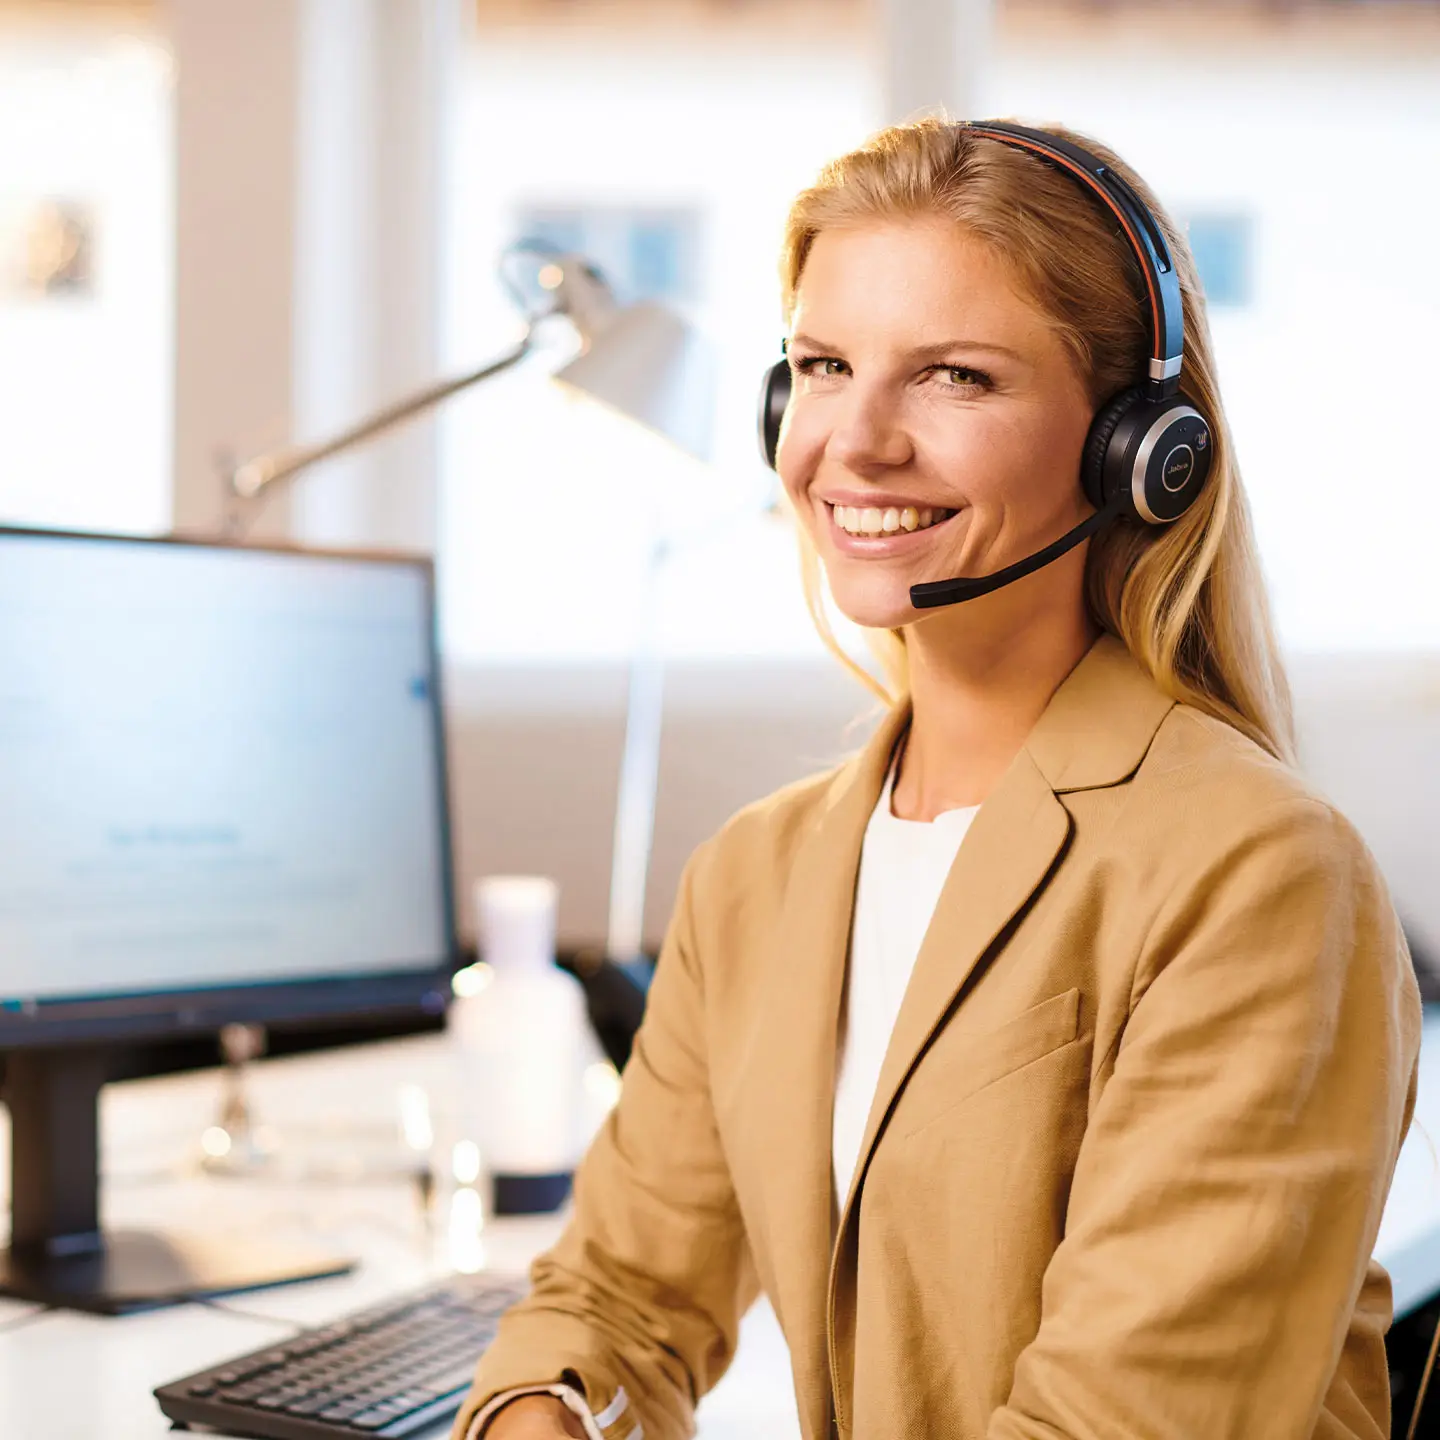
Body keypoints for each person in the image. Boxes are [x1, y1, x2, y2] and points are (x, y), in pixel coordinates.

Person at [456, 118, 1422, 1440]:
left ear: (1136, 445)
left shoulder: (1254, 875)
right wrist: (542, 1415)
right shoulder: (759, 874)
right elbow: (614, 1298)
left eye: (955, 376)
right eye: (822, 365)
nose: (853, 442)